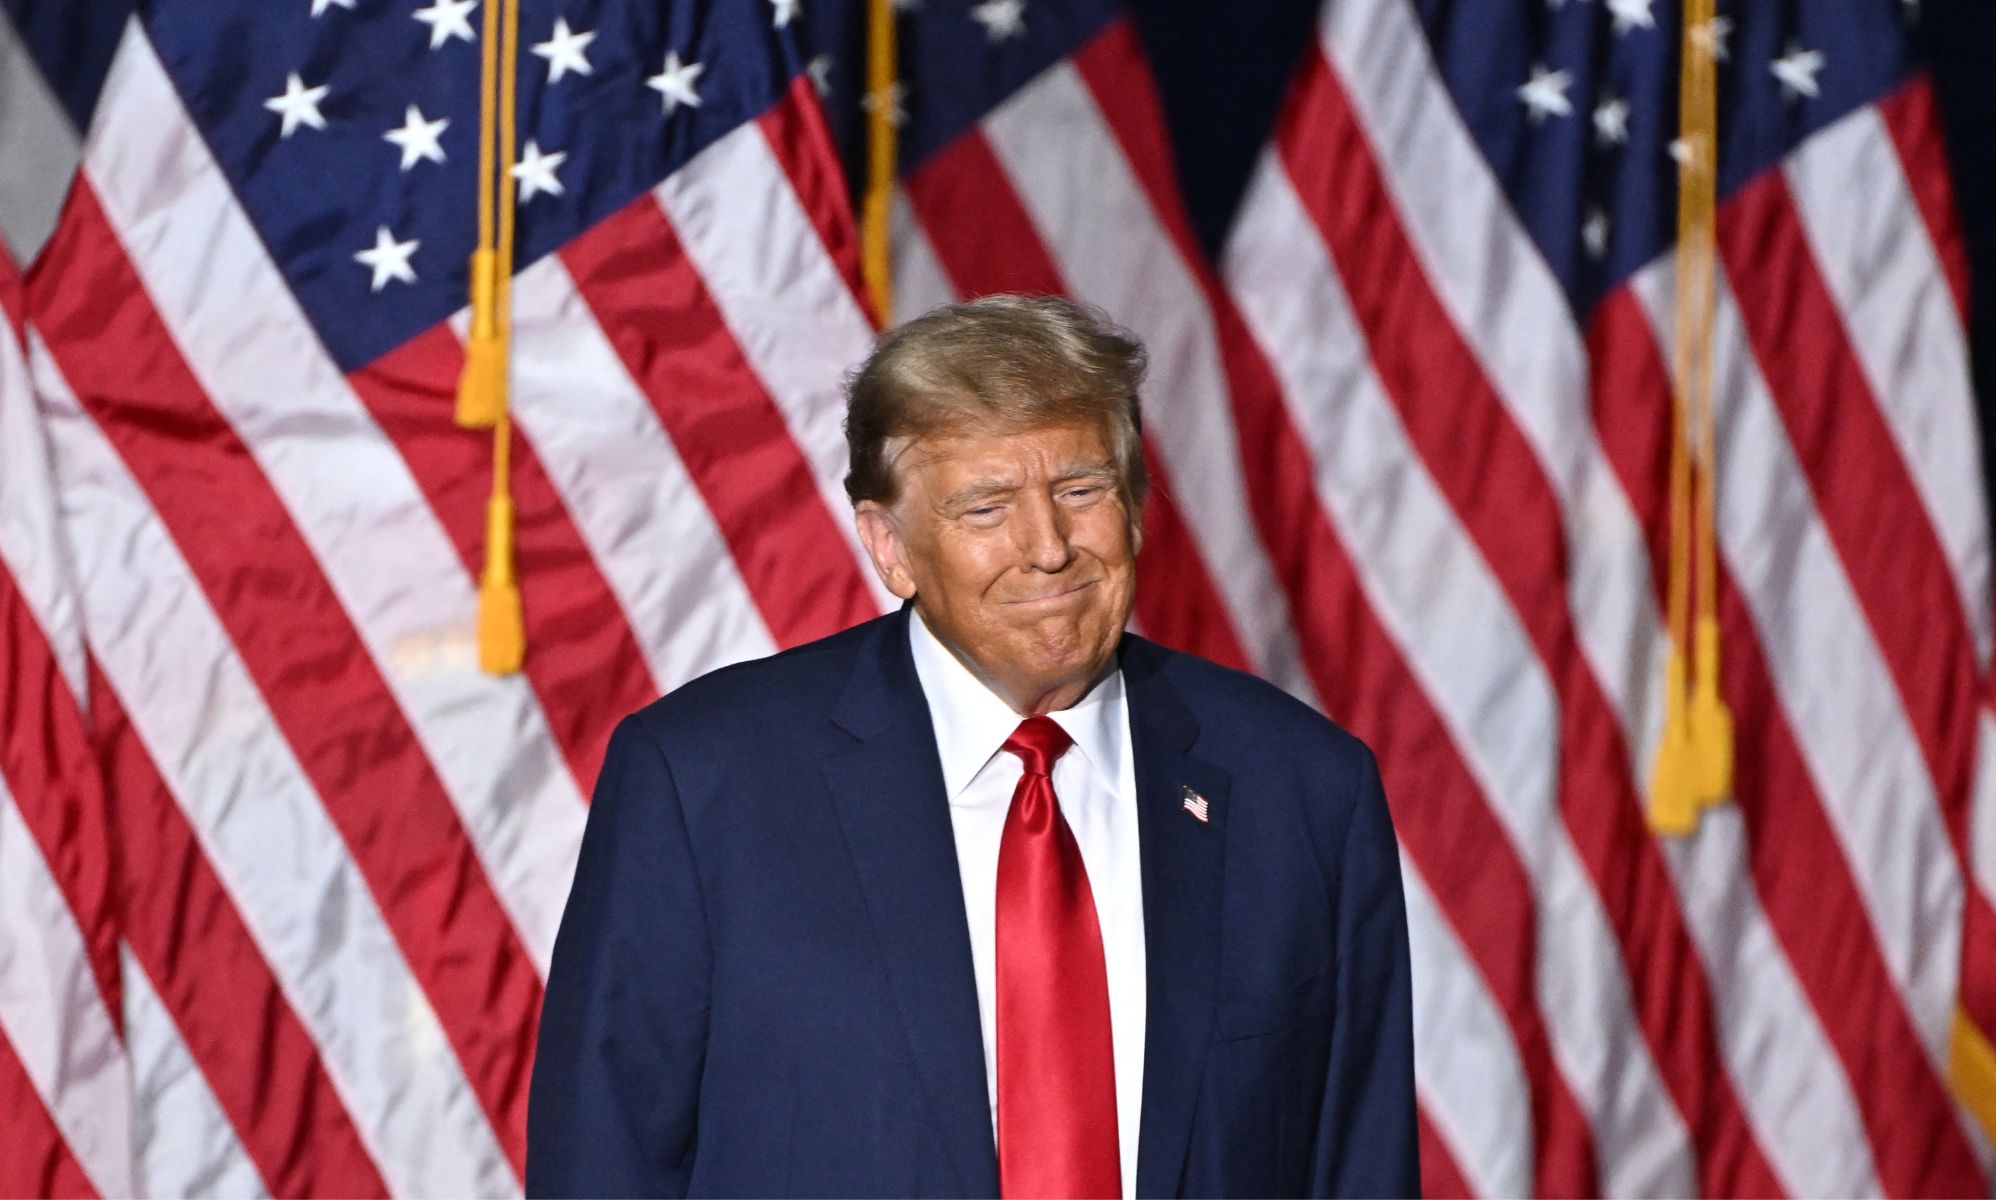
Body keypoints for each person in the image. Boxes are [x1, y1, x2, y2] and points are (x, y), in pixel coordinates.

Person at [525, 295, 1418, 1198]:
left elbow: (1359, 1163)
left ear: (1136, 504)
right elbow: (605, 1158)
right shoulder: (701, 783)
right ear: (890, 547)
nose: (1049, 548)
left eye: (1080, 490)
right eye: (987, 508)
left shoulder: (1303, 790)